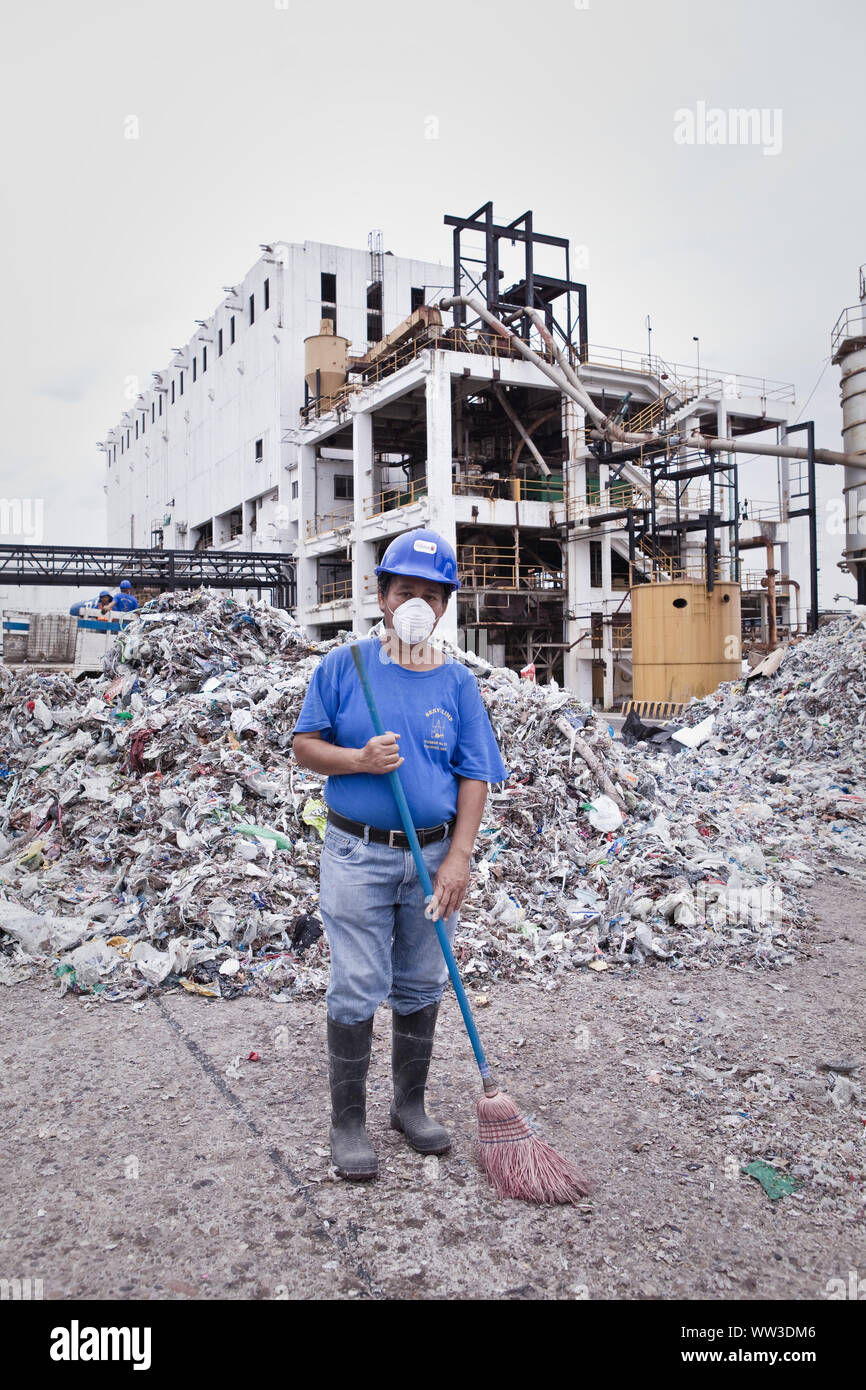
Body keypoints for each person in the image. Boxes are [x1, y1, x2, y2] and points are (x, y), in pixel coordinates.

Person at [292, 529, 508, 1181]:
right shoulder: (343, 668)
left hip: (433, 857)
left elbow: (475, 774)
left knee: (421, 979)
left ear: (445, 607)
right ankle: (348, 1123)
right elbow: (304, 746)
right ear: (382, 597)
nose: (417, 604)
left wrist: (460, 857)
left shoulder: (458, 684)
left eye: (431, 595)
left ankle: (408, 1107)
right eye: (404, 591)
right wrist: (355, 760)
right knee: (358, 981)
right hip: (357, 853)